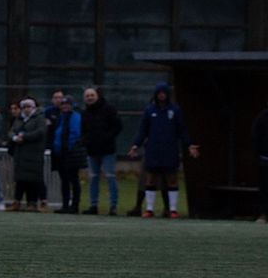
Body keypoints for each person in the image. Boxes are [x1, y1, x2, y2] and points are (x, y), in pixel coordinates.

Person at [127, 83, 200, 218]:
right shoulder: (149, 110)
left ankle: (172, 210)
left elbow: (182, 130)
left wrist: (189, 144)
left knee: (171, 179)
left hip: (170, 149)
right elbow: (143, 130)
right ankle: (149, 209)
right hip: (153, 150)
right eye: (159, 93)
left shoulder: (175, 110)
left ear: (167, 94)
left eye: (164, 93)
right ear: (156, 94)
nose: (161, 95)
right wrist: (136, 145)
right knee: (150, 179)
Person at [81, 87, 123, 215]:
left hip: (107, 150)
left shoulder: (109, 109)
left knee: (110, 176)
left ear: (97, 96)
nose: (90, 97)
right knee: (93, 178)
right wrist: (86, 141)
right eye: (87, 96)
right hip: (92, 151)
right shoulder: (85, 113)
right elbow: (83, 130)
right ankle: (93, 205)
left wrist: (107, 138)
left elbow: (117, 126)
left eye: (92, 95)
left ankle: (113, 206)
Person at [9, 97, 46, 212]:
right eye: (24, 107)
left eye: (29, 107)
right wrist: (15, 138)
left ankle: (32, 202)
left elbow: (40, 132)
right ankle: (17, 201)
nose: (26, 109)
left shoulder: (39, 118)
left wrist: (25, 136)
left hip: (34, 154)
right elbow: (11, 131)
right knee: (20, 180)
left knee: (33, 180)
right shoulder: (19, 119)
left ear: (33, 107)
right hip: (20, 155)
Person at [51, 95, 86, 214]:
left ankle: (74, 205)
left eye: (67, 104)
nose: (65, 106)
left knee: (73, 179)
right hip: (60, 153)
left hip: (70, 153)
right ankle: (65, 204)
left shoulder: (75, 117)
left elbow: (75, 134)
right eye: (63, 104)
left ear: (71, 105)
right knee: (64, 180)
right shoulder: (61, 117)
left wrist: (69, 148)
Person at [251, 102, 268, 223]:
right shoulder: (262, 117)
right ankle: (264, 214)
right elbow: (255, 137)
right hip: (265, 160)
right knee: (265, 189)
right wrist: (258, 156)